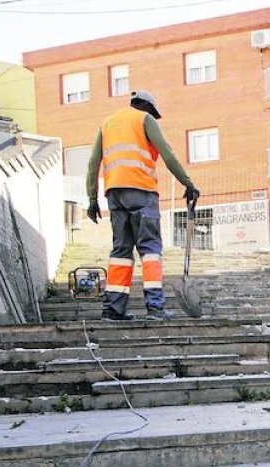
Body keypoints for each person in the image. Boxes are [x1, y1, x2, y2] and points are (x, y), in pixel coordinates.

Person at [85, 90, 199, 321]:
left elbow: (93, 163)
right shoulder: (143, 119)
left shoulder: (107, 123)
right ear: (147, 107)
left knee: (121, 252)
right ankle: (155, 308)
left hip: (114, 194)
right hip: (142, 191)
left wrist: (92, 199)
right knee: (150, 250)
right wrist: (188, 184)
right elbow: (167, 153)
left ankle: (113, 310)